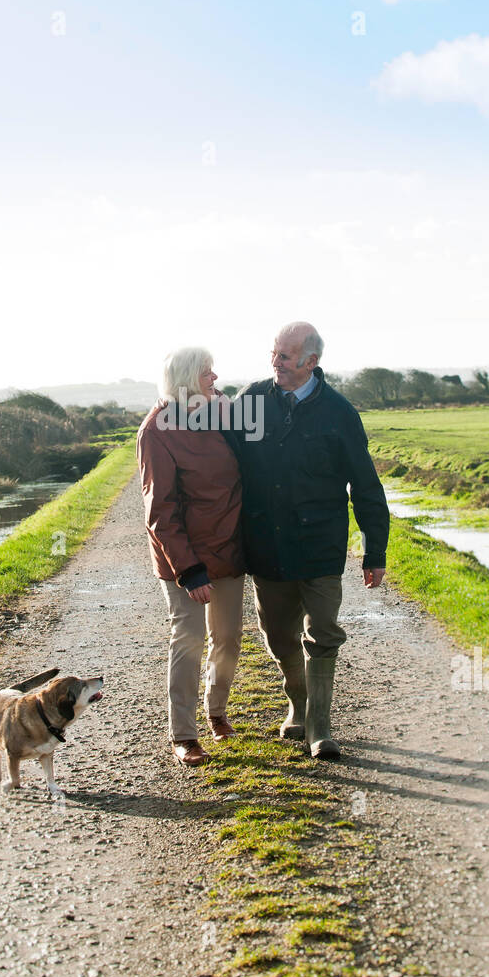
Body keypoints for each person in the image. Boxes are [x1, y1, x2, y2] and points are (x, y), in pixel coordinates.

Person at [233, 322, 389, 759]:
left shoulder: (339, 413)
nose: (275, 363)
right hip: (266, 544)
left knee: (322, 632)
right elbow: (219, 454)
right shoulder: (251, 400)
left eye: (285, 356)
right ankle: (298, 703)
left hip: (320, 544)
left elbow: (366, 485)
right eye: (274, 354)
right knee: (278, 634)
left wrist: (375, 551)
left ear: (311, 362)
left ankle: (320, 726)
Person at [136, 348, 245, 767]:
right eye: (206, 373)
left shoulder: (222, 414)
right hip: (182, 558)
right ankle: (183, 734)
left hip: (228, 548)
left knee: (229, 639)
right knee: (189, 639)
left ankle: (216, 709)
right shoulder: (156, 431)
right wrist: (190, 569)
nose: (215, 377)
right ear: (184, 380)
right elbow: (160, 510)